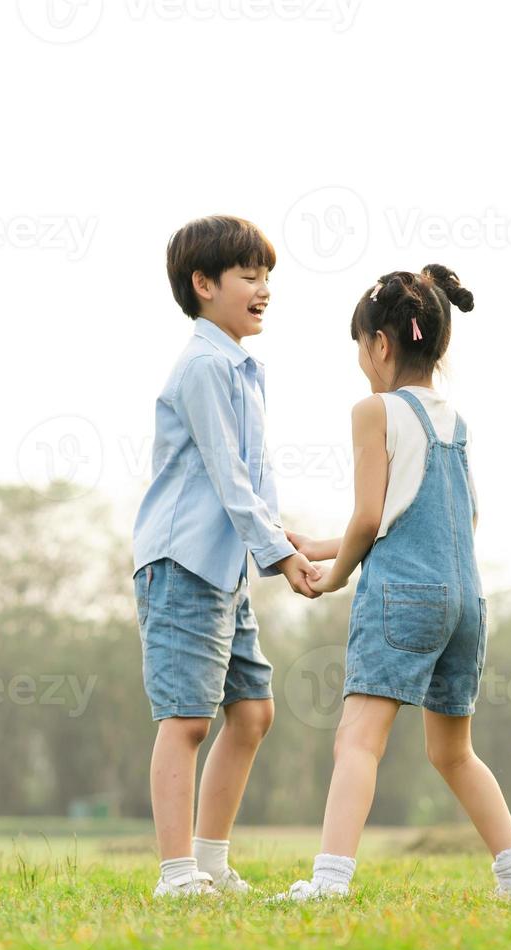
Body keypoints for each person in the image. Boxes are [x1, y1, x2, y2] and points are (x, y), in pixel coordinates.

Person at [276, 265, 511, 902]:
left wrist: (335, 575)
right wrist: (320, 542)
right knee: (454, 753)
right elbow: (448, 515)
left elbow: (371, 517)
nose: (361, 362)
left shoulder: (374, 412)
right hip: (465, 601)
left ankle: (329, 882)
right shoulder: (455, 421)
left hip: (402, 598)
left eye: (360, 347)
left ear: (381, 344)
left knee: (357, 742)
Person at [131, 215, 322, 897]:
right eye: (249, 274)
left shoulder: (242, 367)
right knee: (186, 718)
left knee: (252, 713)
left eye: (267, 274)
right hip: (183, 562)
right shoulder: (206, 366)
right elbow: (224, 474)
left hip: (223, 569)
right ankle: (177, 875)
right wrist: (279, 556)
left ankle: (210, 863)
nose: (264, 288)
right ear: (204, 284)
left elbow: (254, 474)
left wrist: (281, 536)